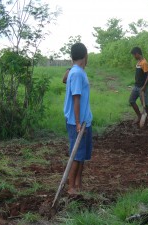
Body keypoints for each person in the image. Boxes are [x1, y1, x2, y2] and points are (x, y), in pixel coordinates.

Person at [64, 43, 93, 194]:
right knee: (76, 155)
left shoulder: (77, 71)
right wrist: (77, 123)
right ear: (85, 55)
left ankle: (78, 185)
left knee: (82, 155)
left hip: (84, 120)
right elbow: (76, 98)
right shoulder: (76, 73)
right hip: (77, 122)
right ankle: (71, 188)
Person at [129, 47, 148, 124]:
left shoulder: (144, 63)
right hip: (136, 86)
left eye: (134, 55)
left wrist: (144, 87)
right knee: (131, 101)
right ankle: (139, 116)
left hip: (142, 87)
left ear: (137, 54)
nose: (134, 57)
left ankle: (145, 120)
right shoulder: (138, 62)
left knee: (144, 104)